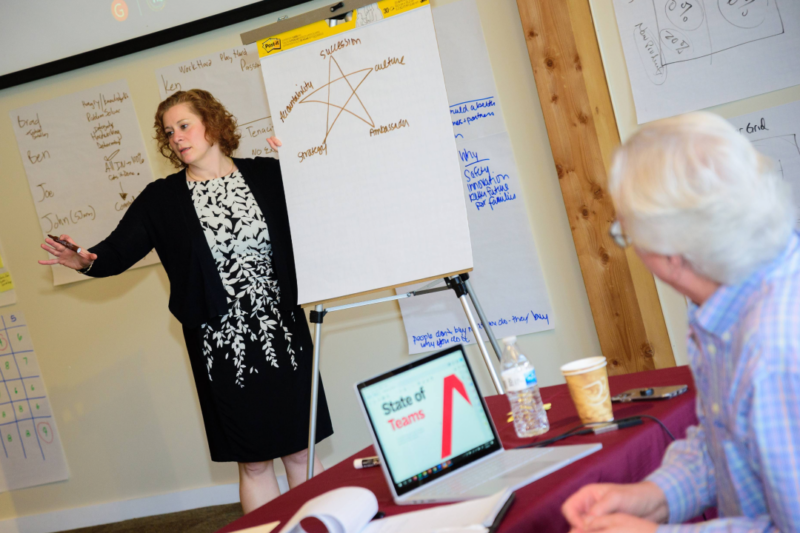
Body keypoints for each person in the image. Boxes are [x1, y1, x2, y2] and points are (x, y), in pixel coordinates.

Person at [39, 89, 334, 513]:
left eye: (184, 125)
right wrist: (82, 260)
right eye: (168, 132)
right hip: (221, 349)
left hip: (283, 335)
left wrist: (305, 159)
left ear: (212, 123)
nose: (176, 137)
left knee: (302, 452)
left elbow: (326, 205)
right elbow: (115, 253)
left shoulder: (270, 175)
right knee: (253, 464)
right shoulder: (161, 200)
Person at [562, 112, 800, 532]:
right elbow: (726, 445)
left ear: (672, 253)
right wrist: (653, 497)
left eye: (626, 233)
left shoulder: (774, 351)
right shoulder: (732, 300)